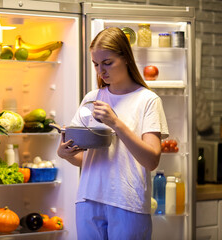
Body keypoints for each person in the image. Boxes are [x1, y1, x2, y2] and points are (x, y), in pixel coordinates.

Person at [57, 27, 169, 240]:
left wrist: (116, 123)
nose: (101, 71)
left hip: (128, 201)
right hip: (88, 198)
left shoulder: (148, 101)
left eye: (107, 63)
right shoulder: (92, 98)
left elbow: (151, 160)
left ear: (126, 58)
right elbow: (87, 160)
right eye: (96, 64)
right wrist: (66, 153)